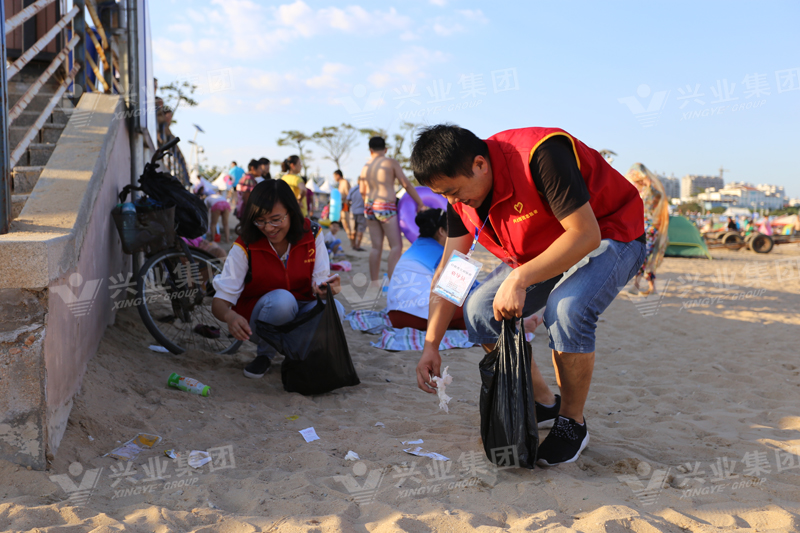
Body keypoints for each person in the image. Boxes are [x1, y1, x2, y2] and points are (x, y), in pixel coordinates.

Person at [410, 124, 645, 466]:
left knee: (566, 310)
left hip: (612, 233)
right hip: (549, 247)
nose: (452, 202)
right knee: (480, 311)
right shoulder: (459, 199)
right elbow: (451, 274)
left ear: (480, 164)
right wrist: (431, 345)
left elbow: (585, 234)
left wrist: (519, 278)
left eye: (454, 191)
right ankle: (543, 402)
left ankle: (571, 423)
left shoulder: (540, 155)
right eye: (444, 194)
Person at [211, 180, 343, 378]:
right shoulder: (245, 244)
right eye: (260, 221)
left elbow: (320, 283)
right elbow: (219, 302)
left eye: (276, 219)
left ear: (292, 212)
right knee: (283, 300)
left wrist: (328, 290)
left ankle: (302, 356)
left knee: (336, 309)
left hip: (300, 318)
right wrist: (230, 317)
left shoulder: (312, 233)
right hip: (259, 322)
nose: (268, 228)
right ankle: (265, 355)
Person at [387, 209, 544, 332]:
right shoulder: (442, 254)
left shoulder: (416, 248)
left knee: (468, 315)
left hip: (396, 316)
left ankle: (517, 324)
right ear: (441, 231)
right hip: (420, 315)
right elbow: (473, 290)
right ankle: (518, 324)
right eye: (454, 232)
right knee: (480, 305)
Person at [360, 136, 426, 282]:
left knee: (376, 247)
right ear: (386, 149)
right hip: (385, 205)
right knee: (396, 246)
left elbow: (362, 190)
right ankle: (392, 282)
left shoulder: (366, 166)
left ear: (370, 150)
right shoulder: (390, 162)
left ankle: (374, 282)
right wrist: (420, 203)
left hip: (369, 206)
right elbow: (406, 184)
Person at [625, 164, 669, 296]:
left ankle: (636, 285)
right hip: (644, 228)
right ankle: (651, 288)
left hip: (649, 229)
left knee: (644, 257)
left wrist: (649, 186)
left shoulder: (653, 192)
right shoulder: (642, 191)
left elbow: (653, 199)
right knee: (646, 258)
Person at [333, 170, 352, 241]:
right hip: (341, 205)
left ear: (338, 175)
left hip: (345, 205)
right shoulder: (341, 183)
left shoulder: (344, 182)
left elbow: (348, 195)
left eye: (334, 176)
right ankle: (350, 238)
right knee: (342, 223)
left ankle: (351, 239)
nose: (334, 178)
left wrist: (345, 202)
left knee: (346, 223)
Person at [347, 185, 367, 251]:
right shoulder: (366, 189)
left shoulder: (353, 189)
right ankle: (358, 246)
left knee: (353, 230)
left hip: (353, 211)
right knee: (360, 230)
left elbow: (348, 201)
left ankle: (353, 245)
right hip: (362, 212)